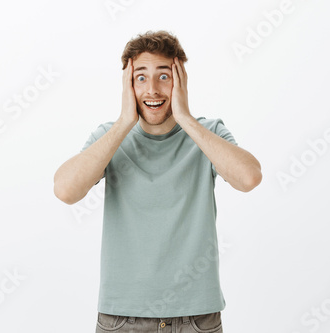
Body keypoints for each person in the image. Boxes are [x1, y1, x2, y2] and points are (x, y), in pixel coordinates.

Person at [53, 30, 262, 333]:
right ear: (128, 85)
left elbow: (249, 178)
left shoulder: (207, 133)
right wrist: (125, 121)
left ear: (180, 81)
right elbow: (65, 190)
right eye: (140, 78)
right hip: (121, 318)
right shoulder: (109, 138)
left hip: (197, 318)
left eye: (163, 76)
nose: (152, 89)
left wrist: (186, 118)